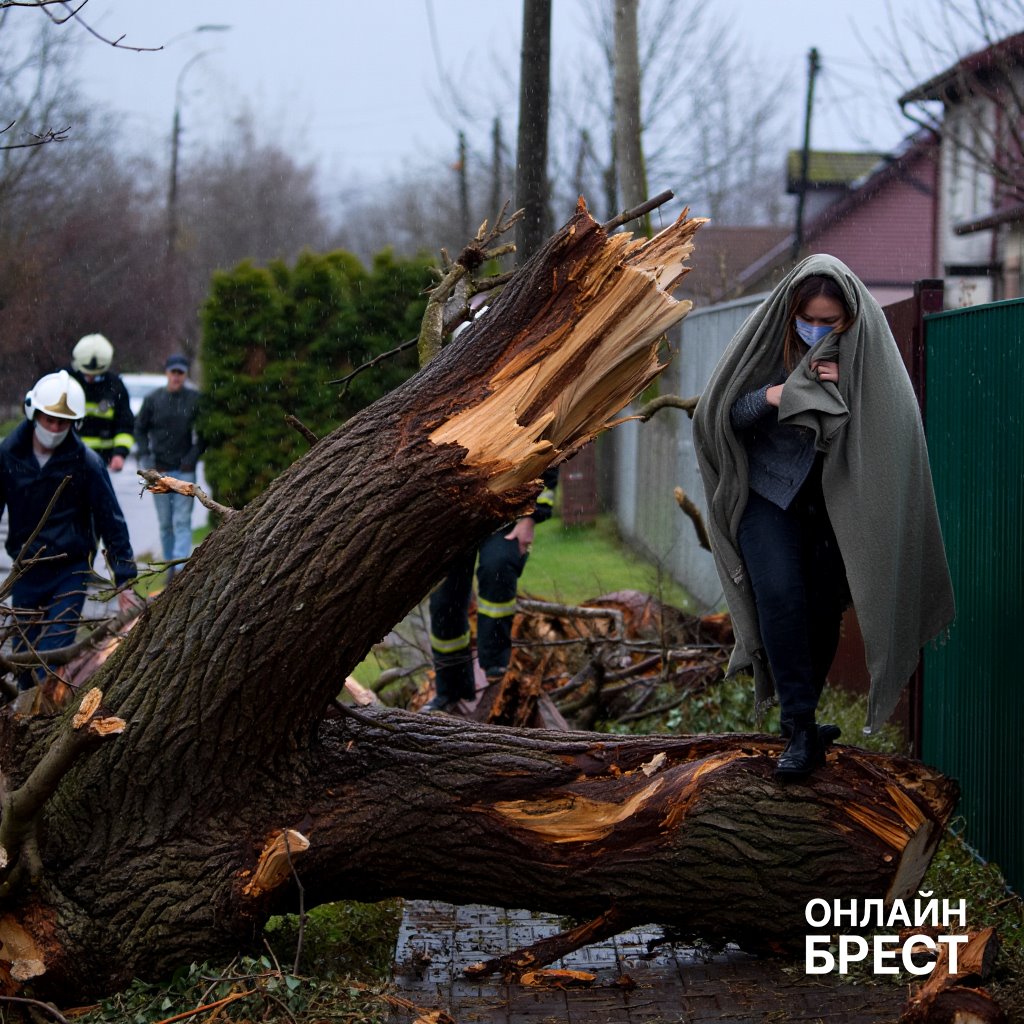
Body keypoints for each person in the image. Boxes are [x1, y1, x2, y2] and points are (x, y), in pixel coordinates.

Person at [692, 254, 954, 780]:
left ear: (850, 318)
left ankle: (802, 725)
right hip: (768, 496)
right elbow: (723, 415)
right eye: (806, 318)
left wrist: (840, 392)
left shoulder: (868, 359)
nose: (815, 329)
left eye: (828, 322)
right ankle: (801, 724)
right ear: (791, 312)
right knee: (780, 596)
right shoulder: (767, 338)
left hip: (836, 503)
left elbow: (892, 429)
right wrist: (779, 394)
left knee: (823, 608)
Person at [0, 370, 138, 691]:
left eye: (63, 423)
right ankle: (24, 719)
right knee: (23, 657)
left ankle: (44, 718)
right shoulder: (8, 456)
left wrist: (125, 581)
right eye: (49, 419)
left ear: (74, 424)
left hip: (70, 570)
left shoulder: (86, 463)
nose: (54, 428)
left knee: (52, 651)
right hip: (26, 569)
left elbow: (111, 520)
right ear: (34, 412)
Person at [423, 469, 559, 714]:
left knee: (498, 568)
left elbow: (549, 452)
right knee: (444, 601)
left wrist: (531, 517)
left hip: (506, 511)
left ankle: (497, 672)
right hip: (451, 515)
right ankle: (450, 690)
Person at [134, 354, 204, 581]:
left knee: (182, 520)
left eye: (180, 373)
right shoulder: (153, 400)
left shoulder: (194, 400)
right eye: (173, 372)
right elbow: (140, 429)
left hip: (184, 470)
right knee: (166, 523)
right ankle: (170, 566)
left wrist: (192, 457)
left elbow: (204, 432)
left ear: (185, 375)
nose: (176, 377)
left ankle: (180, 568)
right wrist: (146, 456)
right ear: (167, 373)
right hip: (159, 472)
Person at [68, 333, 135, 472]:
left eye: (95, 374)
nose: (91, 378)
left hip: (101, 461)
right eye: (87, 373)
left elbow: (125, 423)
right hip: (68, 457)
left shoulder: (115, 386)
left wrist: (119, 453)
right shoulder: (65, 381)